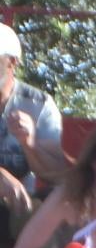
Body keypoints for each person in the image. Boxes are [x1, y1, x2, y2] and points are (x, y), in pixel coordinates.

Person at [0, 21, 66, 222]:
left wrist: (30, 144)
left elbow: (57, 175)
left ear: (12, 62)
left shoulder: (39, 104)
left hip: (18, 208)